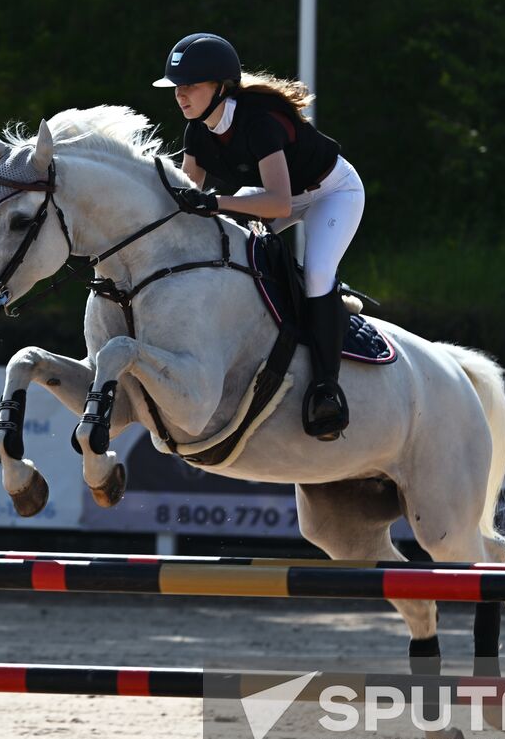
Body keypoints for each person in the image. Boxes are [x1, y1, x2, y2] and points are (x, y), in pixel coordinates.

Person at [153, 32, 365, 441]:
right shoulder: (197, 130)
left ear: (220, 87)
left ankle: (326, 389)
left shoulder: (258, 122)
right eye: (177, 87)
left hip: (331, 193)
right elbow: (188, 198)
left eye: (191, 86)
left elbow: (280, 204)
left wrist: (216, 204)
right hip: (277, 195)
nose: (181, 95)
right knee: (228, 246)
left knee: (319, 274)